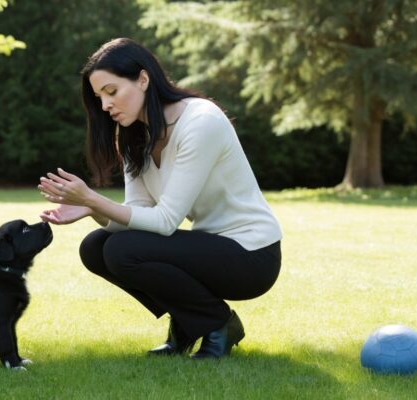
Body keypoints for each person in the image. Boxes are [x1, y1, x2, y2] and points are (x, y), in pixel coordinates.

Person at [37, 38, 282, 359]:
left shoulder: (201, 122)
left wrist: (94, 200)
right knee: (96, 247)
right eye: (99, 98)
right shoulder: (133, 136)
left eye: (111, 92)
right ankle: (189, 321)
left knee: (123, 249)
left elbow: (166, 221)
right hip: (208, 248)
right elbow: (139, 213)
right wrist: (90, 208)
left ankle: (217, 323)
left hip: (251, 255)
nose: (105, 105)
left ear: (143, 78)